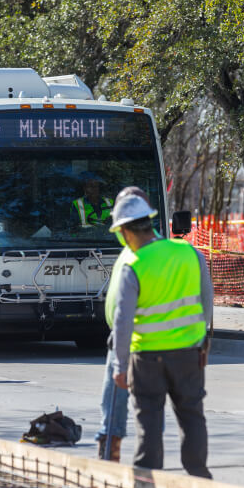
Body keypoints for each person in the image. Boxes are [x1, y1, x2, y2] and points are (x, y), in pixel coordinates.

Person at [111, 193, 213, 478]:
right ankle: (199, 478)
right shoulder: (190, 253)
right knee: (192, 416)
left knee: (149, 423)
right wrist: (203, 343)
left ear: (126, 231)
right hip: (188, 354)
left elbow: (123, 322)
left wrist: (120, 367)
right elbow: (207, 302)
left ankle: (146, 483)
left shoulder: (134, 265)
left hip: (147, 360)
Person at [96, 186, 157, 462]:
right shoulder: (128, 248)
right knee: (112, 404)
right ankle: (110, 454)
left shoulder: (149, 251)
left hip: (139, 338)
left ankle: (125, 460)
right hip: (121, 338)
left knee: (135, 406)